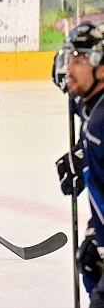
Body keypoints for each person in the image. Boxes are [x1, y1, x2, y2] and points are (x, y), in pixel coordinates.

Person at [54, 23, 104, 307]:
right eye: (69, 59)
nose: (68, 69)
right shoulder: (91, 105)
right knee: (89, 258)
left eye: (80, 60)